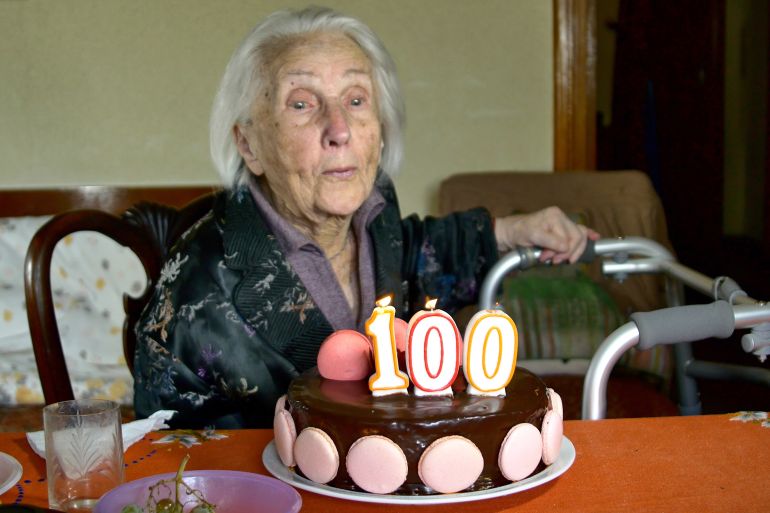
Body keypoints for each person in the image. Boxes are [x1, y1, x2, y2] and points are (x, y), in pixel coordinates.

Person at [132, 6, 598, 428]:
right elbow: (174, 474)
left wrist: (513, 231)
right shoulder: (192, 299)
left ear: (379, 131)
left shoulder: (376, 218)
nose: (339, 129)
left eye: (356, 100)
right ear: (249, 145)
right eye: (301, 103)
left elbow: (418, 251)